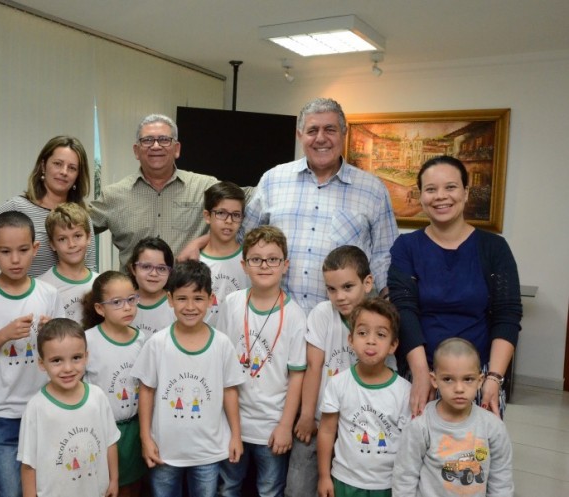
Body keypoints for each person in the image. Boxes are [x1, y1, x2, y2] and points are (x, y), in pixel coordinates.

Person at [387, 155, 522, 418]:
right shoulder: (406, 247)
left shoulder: (494, 248)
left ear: (466, 193)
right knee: (419, 454)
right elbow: (404, 310)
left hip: (477, 377)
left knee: (473, 457)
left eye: (450, 187)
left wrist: (494, 378)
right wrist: (421, 374)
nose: (441, 196)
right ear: (421, 196)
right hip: (423, 370)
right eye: (431, 189)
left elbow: (507, 315)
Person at [242, 98, 398, 315]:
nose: (321, 138)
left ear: (343, 134)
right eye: (312, 130)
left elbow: (385, 256)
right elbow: (244, 239)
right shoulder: (272, 180)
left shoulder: (373, 190)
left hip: (343, 327)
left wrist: (388, 312)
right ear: (300, 136)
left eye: (330, 130)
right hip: (277, 320)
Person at [0, 211, 64, 497]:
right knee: (10, 491)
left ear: (36, 249)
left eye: (23, 250)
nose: (16, 259)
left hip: (44, 408)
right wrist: (4, 334)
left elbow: (61, 353)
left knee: (47, 488)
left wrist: (52, 333)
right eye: (6, 252)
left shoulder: (48, 293)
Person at [131, 260, 244, 497]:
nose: (190, 306)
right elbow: (146, 391)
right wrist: (145, 438)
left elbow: (230, 391)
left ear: (211, 299)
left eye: (198, 298)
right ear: (170, 299)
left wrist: (236, 436)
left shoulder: (222, 344)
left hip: (208, 452)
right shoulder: (157, 344)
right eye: (182, 298)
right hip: (164, 451)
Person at [217, 226, 307, 497]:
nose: (264, 265)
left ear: (285, 265)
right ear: (244, 265)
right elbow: (219, 362)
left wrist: (285, 426)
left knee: (269, 490)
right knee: (228, 487)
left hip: (272, 427)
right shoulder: (232, 304)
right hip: (232, 422)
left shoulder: (295, 316)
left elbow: (297, 376)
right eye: (256, 259)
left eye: (273, 259)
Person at [287, 245, 376, 497]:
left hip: (356, 425)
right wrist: (306, 416)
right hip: (317, 419)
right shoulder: (323, 314)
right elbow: (314, 366)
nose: (340, 296)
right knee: (298, 489)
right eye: (332, 289)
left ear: (367, 283)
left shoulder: (379, 318)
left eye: (348, 287)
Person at [0, 135, 97, 290]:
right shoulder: (16, 208)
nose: (64, 172)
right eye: (57, 164)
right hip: (28, 309)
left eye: (72, 168)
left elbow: (90, 272)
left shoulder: (83, 217)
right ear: (43, 165)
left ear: (77, 175)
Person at [89, 114, 219, 267]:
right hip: (133, 290)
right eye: (148, 140)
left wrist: (200, 242)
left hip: (185, 289)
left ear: (176, 149)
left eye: (164, 139)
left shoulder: (205, 187)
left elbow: (247, 210)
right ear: (136, 151)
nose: (156, 146)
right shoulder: (113, 195)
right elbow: (70, 228)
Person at [392, 338, 514, 496]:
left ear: (480, 381)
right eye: (448, 379)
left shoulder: (493, 427)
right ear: (434, 380)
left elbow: (501, 480)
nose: (459, 388)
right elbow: (404, 476)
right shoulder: (421, 426)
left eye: (468, 379)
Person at [317, 298, 411, 497]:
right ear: (350, 339)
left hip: (387, 485)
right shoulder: (338, 383)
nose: (370, 340)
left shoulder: (404, 391)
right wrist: (324, 476)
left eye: (381, 334)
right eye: (362, 333)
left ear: (393, 345)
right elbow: (326, 431)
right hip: (344, 481)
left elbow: (408, 445)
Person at [18, 318, 120, 497]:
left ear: (86, 357)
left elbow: (110, 442)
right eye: (57, 360)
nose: (68, 368)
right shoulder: (36, 408)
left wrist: (114, 480)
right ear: (42, 364)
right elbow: (28, 464)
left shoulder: (98, 397)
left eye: (76, 358)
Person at [82, 271, 148, 496]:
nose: (128, 307)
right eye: (117, 302)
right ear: (100, 308)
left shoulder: (141, 340)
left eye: (131, 299)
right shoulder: (88, 340)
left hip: (133, 429)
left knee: (131, 488)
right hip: (100, 432)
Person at [37, 202, 98, 324]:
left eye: (77, 236)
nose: (72, 244)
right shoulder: (41, 287)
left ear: (89, 237)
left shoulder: (100, 284)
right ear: (52, 244)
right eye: (62, 239)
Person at [200, 181, 249, 324]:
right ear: (207, 216)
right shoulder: (195, 260)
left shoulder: (251, 260)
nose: (229, 221)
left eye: (236, 215)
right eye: (221, 213)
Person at [127, 237, 176, 336]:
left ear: (170, 272)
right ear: (133, 269)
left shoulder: (176, 306)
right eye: (146, 267)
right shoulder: (123, 303)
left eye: (162, 268)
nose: (154, 274)